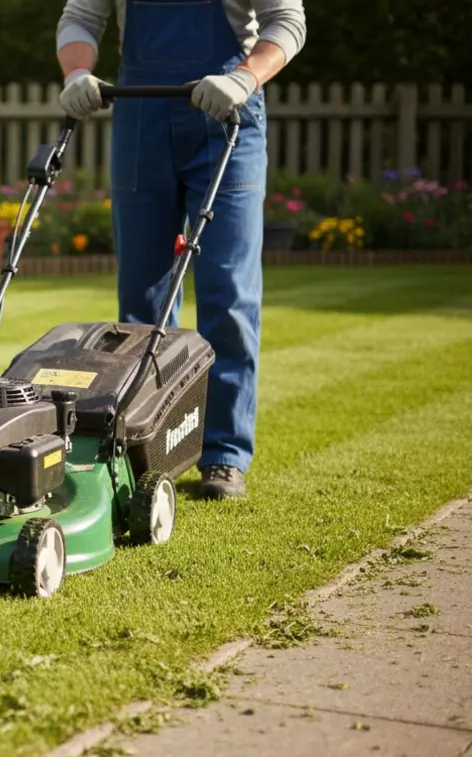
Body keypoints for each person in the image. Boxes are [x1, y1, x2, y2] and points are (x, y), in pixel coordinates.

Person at [55, 0, 306, 500]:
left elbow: (288, 21)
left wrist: (244, 77)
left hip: (227, 115)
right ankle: (147, 448)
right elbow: (80, 16)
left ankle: (223, 456)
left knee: (228, 291)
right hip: (141, 117)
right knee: (142, 301)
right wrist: (78, 72)